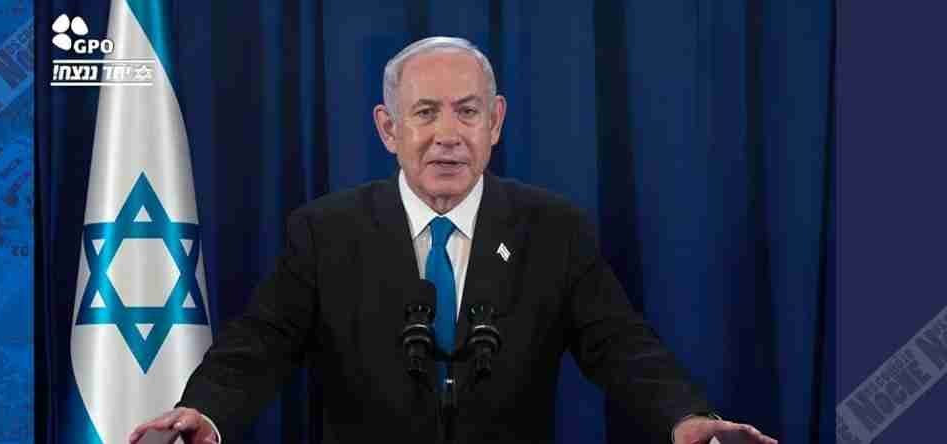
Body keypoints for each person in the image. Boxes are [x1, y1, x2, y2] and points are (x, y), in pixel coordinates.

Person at [130, 37, 778, 444]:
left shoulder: (552, 229)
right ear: (388, 129)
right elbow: (259, 345)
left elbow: (621, 347)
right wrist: (204, 412)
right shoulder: (326, 232)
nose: (448, 134)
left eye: (468, 112)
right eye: (424, 112)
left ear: (495, 122)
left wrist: (686, 417)